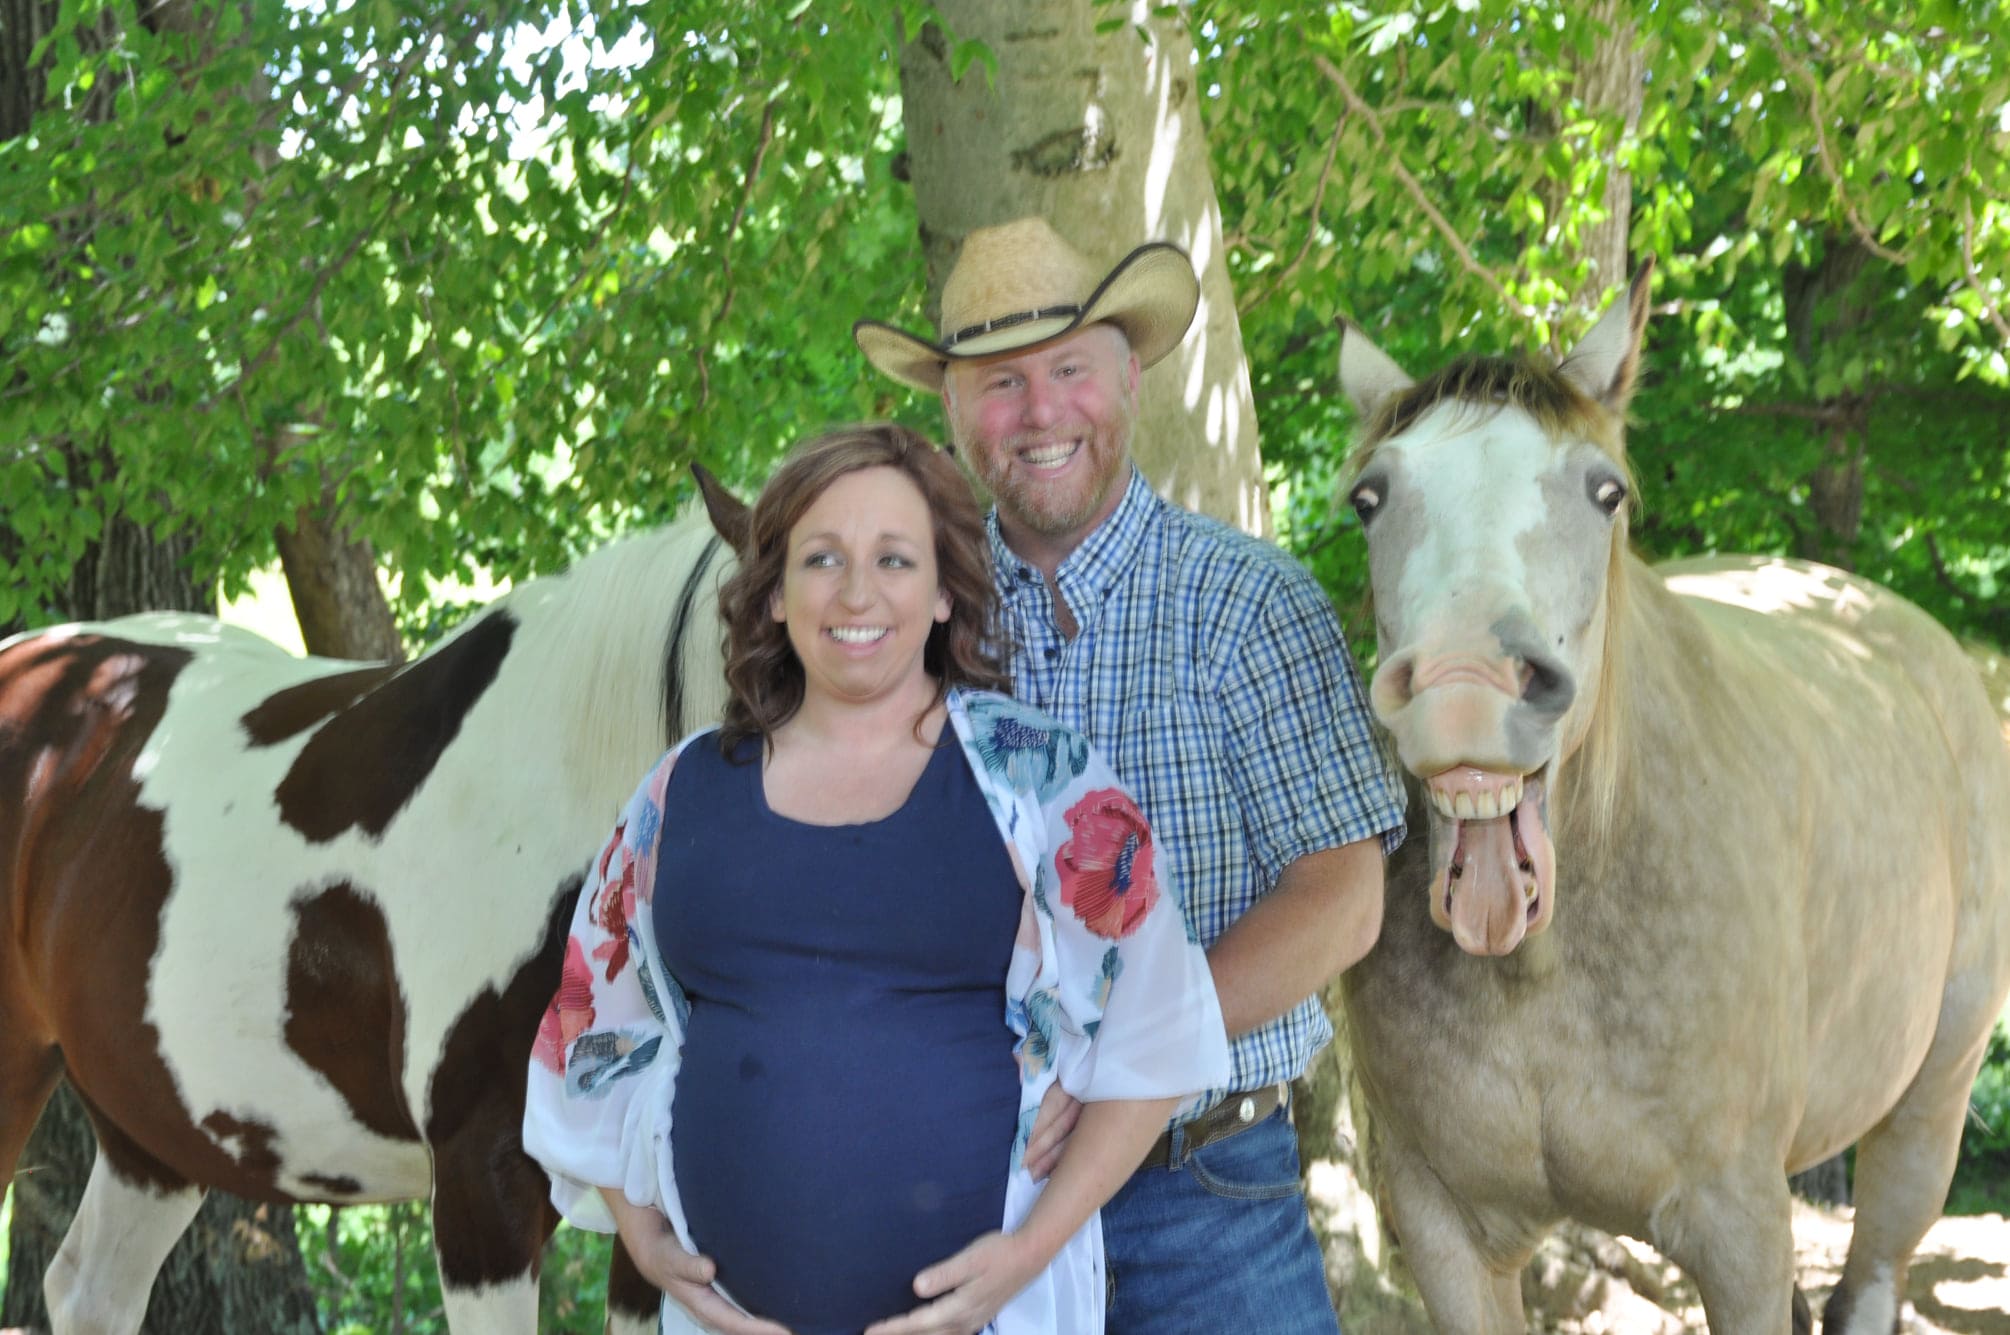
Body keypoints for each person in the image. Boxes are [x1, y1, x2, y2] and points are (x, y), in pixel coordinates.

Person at [522, 422, 1230, 1335]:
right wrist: (641, 1233)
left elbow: (1160, 1030)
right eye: (822, 558)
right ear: (773, 593)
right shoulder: (681, 789)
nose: (857, 592)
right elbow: (595, 1027)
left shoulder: (1039, 776)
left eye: (895, 559)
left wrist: (1028, 1252)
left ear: (944, 594)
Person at [850, 218, 1410, 1333]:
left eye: (1069, 369)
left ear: (1131, 373)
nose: (1041, 412)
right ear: (952, 411)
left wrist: (1108, 1066)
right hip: (969, 1196)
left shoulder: (1251, 607)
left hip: (1202, 1196)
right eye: (1001, 383)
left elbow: (1341, 903)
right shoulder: (917, 632)